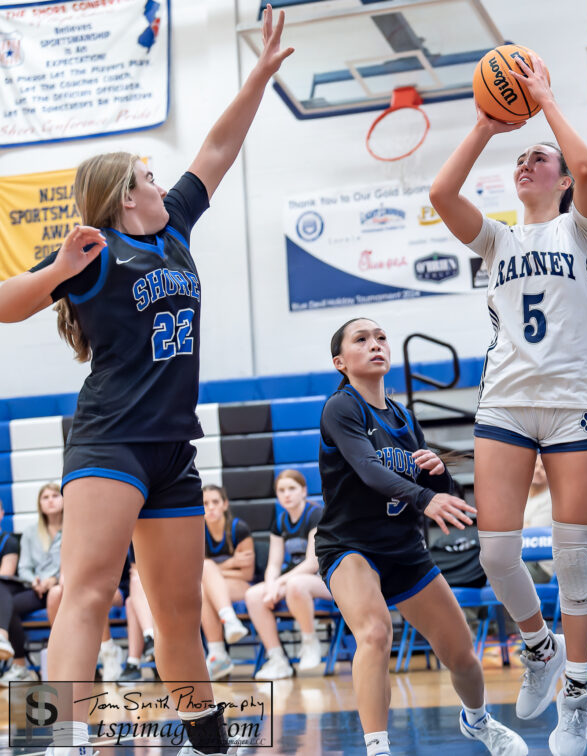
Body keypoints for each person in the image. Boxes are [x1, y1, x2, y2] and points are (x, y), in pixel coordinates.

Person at [0, 7, 293, 754]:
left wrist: (257, 76)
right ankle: (61, 739)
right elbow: (5, 307)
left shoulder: (173, 230)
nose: (162, 182)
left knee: (175, 614)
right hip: (110, 439)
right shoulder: (94, 252)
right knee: (89, 594)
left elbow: (219, 148)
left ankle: (207, 740)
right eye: (149, 177)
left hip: (172, 450)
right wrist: (60, 269)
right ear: (125, 195)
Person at [430, 52, 587, 755]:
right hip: (505, 401)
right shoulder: (497, 239)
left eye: (542, 157)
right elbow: (443, 194)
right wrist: (485, 122)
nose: (528, 162)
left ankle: (577, 700)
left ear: (560, 179)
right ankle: (540, 648)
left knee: (571, 556)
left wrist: (544, 102)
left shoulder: (582, 231)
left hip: (573, 405)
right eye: (523, 156)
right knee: (497, 553)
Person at [316, 317, 527, 756]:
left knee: (463, 655)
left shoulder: (404, 418)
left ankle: (479, 722)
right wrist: (424, 498)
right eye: (361, 340)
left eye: (380, 338)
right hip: (351, 547)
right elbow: (370, 471)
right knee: (374, 633)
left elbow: (440, 494)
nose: (375, 345)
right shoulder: (341, 407)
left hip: (404, 550)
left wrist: (440, 473)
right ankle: (378, 748)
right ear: (341, 362)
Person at [244, 470, 331, 680]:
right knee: (253, 596)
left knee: (296, 584)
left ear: (303, 491)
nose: (287, 494)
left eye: (292, 488)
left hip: (325, 580)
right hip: (295, 580)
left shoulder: (316, 515)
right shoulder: (280, 521)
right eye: (281, 490)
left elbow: (312, 563)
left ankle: (310, 643)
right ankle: (277, 659)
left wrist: (279, 582)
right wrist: (271, 583)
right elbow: (273, 563)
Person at [0, 482, 63, 684]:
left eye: (55, 495)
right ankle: (20, 666)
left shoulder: (74, 530)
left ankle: (21, 663)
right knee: (8, 606)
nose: (51, 500)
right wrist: (33, 581)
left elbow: (76, 563)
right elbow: (25, 567)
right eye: (45, 497)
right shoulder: (29, 533)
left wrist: (53, 579)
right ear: (39, 504)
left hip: (63, 587)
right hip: (37, 590)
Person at [201, 484, 254, 681]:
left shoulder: (238, 529)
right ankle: (228, 623)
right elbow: (195, 575)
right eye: (205, 503)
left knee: (205, 573)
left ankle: (217, 653)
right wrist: (231, 563)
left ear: (225, 504)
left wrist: (213, 574)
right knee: (203, 585)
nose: (210, 507)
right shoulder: (197, 532)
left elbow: (247, 574)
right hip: (216, 589)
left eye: (215, 502)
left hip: (243, 586)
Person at [523, 457, 554, 583]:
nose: (537, 471)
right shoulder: (520, 495)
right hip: (519, 559)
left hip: (541, 567)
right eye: (535, 466)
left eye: (543, 468)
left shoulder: (552, 499)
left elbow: (531, 536)